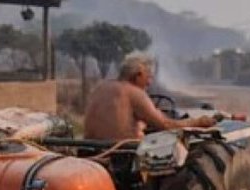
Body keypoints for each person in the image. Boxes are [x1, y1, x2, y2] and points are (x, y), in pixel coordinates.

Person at [83, 53, 216, 140]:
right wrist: (199, 122)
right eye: (149, 77)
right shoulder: (134, 92)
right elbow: (166, 124)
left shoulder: (100, 88)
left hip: (91, 150)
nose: (150, 82)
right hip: (121, 156)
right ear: (139, 74)